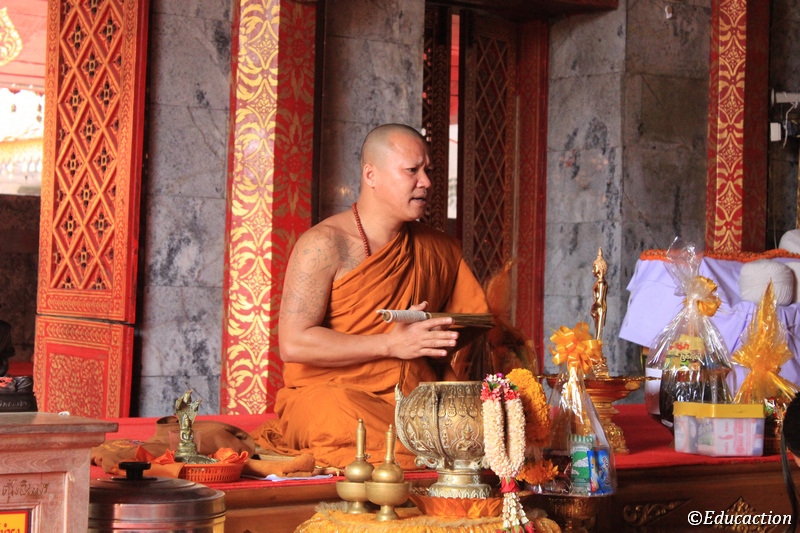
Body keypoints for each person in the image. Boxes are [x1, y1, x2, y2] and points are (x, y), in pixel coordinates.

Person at [254, 124, 489, 470]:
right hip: (336, 396)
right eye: (412, 170)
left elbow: (468, 323)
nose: (426, 182)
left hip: (415, 398)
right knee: (339, 420)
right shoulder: (324, 245)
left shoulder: (437, 249)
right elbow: (294, 343)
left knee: (484, 426)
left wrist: (434, 334)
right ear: (371, 174)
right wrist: (391, 344)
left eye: (428, 171)